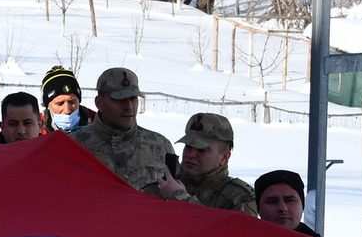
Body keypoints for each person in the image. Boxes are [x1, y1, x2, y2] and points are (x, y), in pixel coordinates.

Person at [71, 68, 181, 196]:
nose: (129, 106)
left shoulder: (160, 146)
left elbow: (178, 202)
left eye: (133, 98)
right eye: (120, 100)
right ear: (99, 103)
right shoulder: (74, 147)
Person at [174, 113, 255, 213]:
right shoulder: (163, 186)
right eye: (188, 146)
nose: (191, 154)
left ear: (224, 157)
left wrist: (181, 198)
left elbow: (226, 228)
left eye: (201, 150)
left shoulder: (240, 197)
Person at [252, 169, 317, 235]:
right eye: (272, 201)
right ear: (259, 208)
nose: (282, 208)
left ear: (302, 206)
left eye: (289, 200)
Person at [41, 67, 94, 133]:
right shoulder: (34, 127)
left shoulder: (98, 123)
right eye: (60, 103)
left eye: (72, 102)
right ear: (48, 105)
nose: (67, 110)